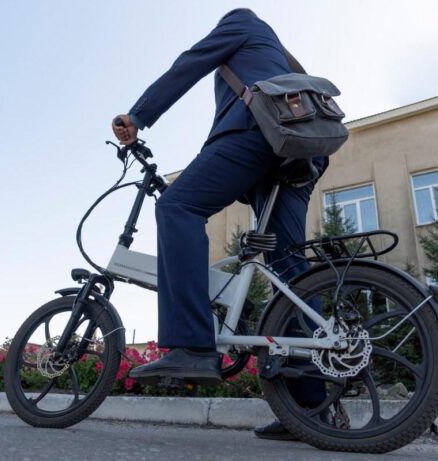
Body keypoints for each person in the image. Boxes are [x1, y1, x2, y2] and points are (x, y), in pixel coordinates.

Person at [111, 8, 328, 440]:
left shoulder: (241, 19)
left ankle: (193, 346)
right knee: (289, 268)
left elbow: (190, 63)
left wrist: (138, 117)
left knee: (177, 207)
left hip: (257, 135)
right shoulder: (280, 54)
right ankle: (312, 408)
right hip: (301, 151)